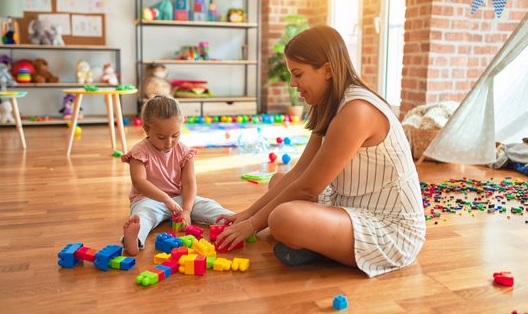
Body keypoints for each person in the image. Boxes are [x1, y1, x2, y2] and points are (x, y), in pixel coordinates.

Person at [216, 26, 426, 277]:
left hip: (390, 229)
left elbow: (308, 189)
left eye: (298, 74)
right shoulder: (328, 103)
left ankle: (314, 247)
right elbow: (300, 172)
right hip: (348, 205)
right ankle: (313, 245)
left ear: (327, 69)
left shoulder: (356, 111)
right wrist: (247, 214)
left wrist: (251, 226)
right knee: (279, 181)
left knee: (283, 217)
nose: (293, 83)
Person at [121, 95, 233, 256]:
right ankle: (133, 240)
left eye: (175, 135)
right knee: (143, 217)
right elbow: (139, 182)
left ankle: (236, 222)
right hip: (149, 200)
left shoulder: (184, 151)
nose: (169, 143)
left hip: (180, 198)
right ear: (146, 129)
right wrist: (166, 200)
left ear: (183, 123)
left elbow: (189, 183)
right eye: (161, 137)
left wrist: (186, 210)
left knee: (208, 205)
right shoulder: (140, 151)